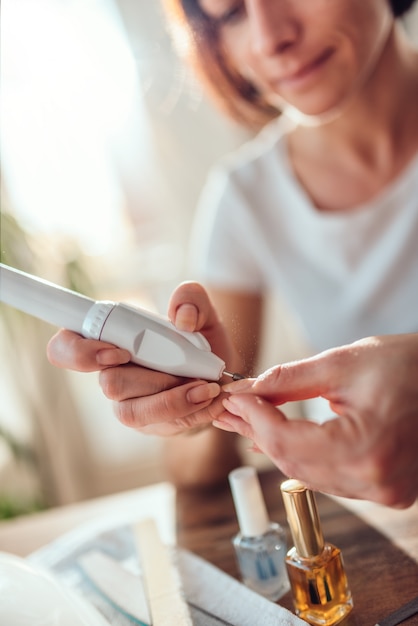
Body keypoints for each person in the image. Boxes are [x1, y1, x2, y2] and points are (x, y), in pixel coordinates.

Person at [47, 0, 418, 500]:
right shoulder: (248, 198)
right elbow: (196, 466)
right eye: (232, 14)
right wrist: (191, 407)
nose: (270, 39)